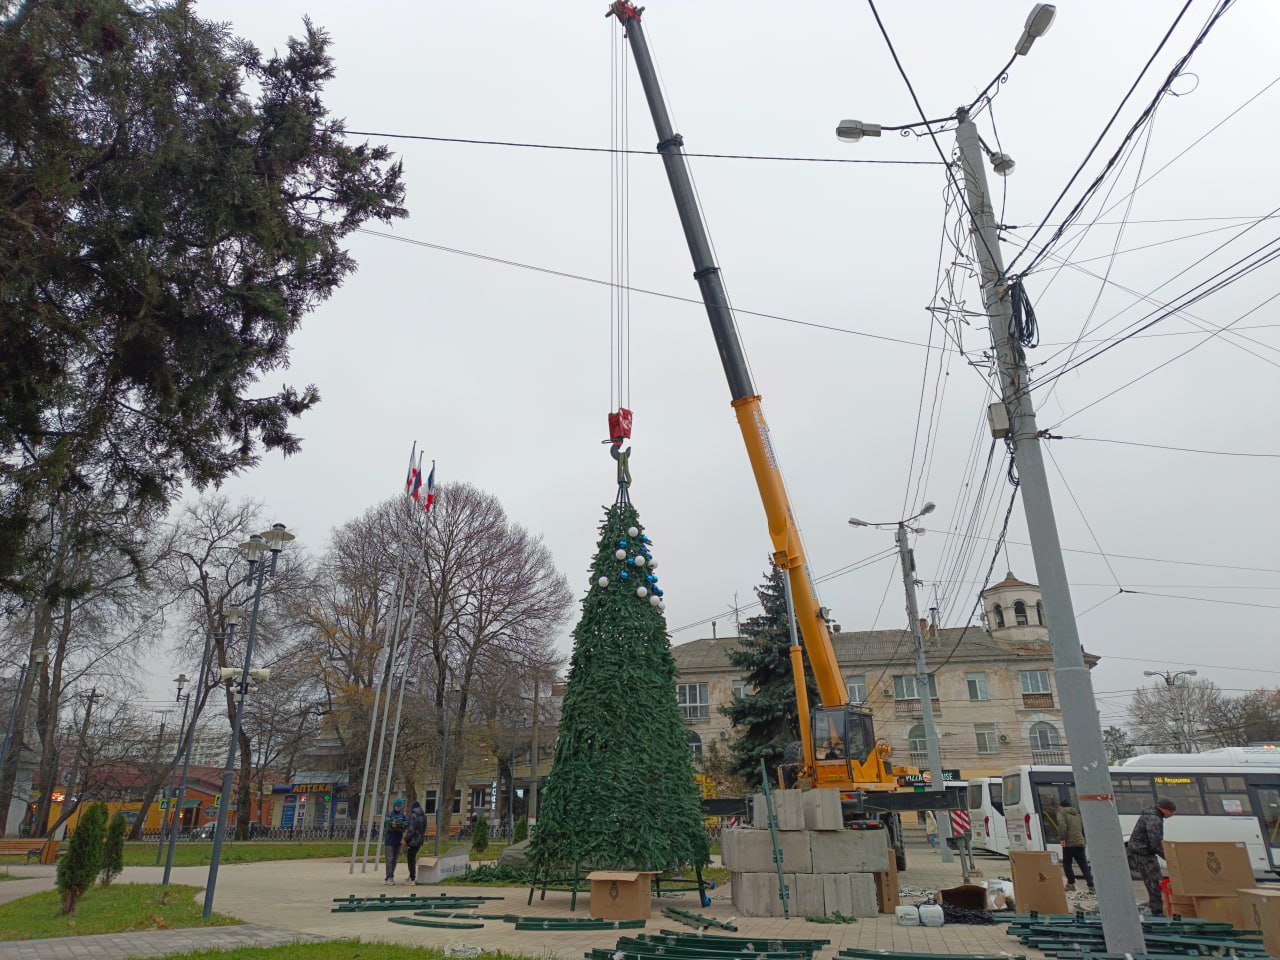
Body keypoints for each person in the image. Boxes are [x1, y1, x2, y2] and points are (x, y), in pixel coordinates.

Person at [1127, 797, 1176, 916]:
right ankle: (1157, 911)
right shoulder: (1154, 819)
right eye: (1171, 812)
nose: (1172, 815)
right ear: (1164, 809)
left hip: (1141, 852)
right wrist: (1169, 858)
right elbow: (1156, 842)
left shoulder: (1151, 815)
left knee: (1153, 881)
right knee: (1155, 881)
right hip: (1144, 853)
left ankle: (1157, 908)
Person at [1055, 799, 1094, 893]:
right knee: (1083, 865)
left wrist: (1062, 839)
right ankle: (1091, 886)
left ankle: (1071, 884)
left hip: (1069, 843)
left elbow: (1062, 827)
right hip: (1080, 842)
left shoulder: (1061, 813)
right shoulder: (1077, 814)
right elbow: (1082, 828)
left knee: (1067, 864)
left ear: (1062, 806)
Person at [383, 798, 408, 885]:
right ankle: (388, 877)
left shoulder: (403, 815)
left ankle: (391, 876)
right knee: (389, 859)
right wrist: (392, 825)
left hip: (398, 841)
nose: (398, 807)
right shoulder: (390, 814)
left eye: (400, 806)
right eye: (397, 806)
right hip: (389, 841)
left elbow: (406, 823)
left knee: (394, 860)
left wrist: (401, 825)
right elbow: (386, 825)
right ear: (394, 806)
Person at [404, 800, 427, 885]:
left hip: (413, 840)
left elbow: (411, 830)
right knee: (412, 857)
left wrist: (405, 839)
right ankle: (411, 876)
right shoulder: (424, 816)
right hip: (420, 840)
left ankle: (412, 878)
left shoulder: (413, 815)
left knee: (410, 859)